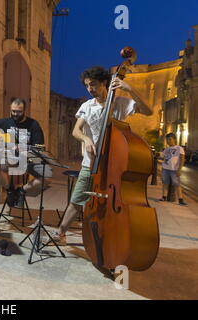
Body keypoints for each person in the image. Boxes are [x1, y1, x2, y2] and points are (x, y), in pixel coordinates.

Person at [51, 66, 153, 244]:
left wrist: (129, 88)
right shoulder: (87, 106)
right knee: (77, 199)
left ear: (105, 82)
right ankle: (61, 231)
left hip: (115, 164)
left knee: (116, 202)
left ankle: (114, 236)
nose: (90, 89)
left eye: (94, 85)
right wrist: (86, 139)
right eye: (87, 86)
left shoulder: (120, 103)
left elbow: (148, 111)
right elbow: (76, 130)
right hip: (90, 163)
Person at [0, 98, 50, 208]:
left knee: (46, 178)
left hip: (29, 160)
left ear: (24, 111)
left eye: (18, 112)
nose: (15, 114)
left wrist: (24, 148)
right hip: (11, 159)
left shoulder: (33, 124)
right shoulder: (6, 122)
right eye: (13, 111)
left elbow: (40, 148)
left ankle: (21, 191)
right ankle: (10, 190)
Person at [159, 133, 187, 206]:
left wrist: (179, 169)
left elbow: (182, 159)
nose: (168, 141)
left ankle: (180, 200)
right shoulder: (166, 149)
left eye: (170, 139)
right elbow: (162, 156)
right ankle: (164, 197)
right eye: (167, 140)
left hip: (174, 169)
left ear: (174, 139)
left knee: (177, 184)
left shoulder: (179, 148)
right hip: (165, 168)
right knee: (165, 183)